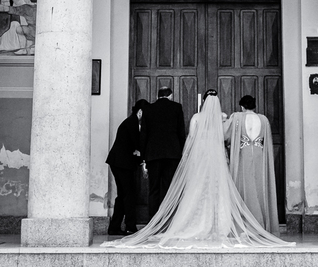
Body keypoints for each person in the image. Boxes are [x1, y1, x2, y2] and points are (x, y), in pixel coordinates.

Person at [104, 92, 291, 248]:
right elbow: (224, 137)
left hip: (198, 157)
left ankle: (176, 222)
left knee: (196, 189)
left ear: (203, 102)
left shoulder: (196, 118)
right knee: (218, 190)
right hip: (216, 157)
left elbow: (190, 139)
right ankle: (220, 225)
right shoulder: (223, 119)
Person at [223, 95, 280, 234]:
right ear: (254, 106)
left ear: (242, 107)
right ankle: (261, 223)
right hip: (260, 154)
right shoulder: (264, 119)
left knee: (244, 186)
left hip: (244, 153)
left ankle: (245, 223)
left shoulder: (237, 117)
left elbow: (224, 135)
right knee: (260, 185)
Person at [139, 86, 187, 220]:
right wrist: (181, 152)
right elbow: (180, 132)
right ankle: (166, 219)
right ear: (170, 96)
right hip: (172, 154)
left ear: (157, 96)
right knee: (168, 187)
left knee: (153, 188)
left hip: (153, 154)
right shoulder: (177, 107)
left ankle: (153, 220)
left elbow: (144, 135)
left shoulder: (148, 109)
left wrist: (143, 157)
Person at [106, 99, 149, 235]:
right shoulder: (132, 123)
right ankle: (130, 226)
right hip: (122, 164)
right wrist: (142, 157)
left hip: (119, 163)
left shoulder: (130, 122)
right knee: (129, 195)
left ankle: (114, 227)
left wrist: (138, 154)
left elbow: (135, 149)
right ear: (140, 112)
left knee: (123, 195)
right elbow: (136, 145)